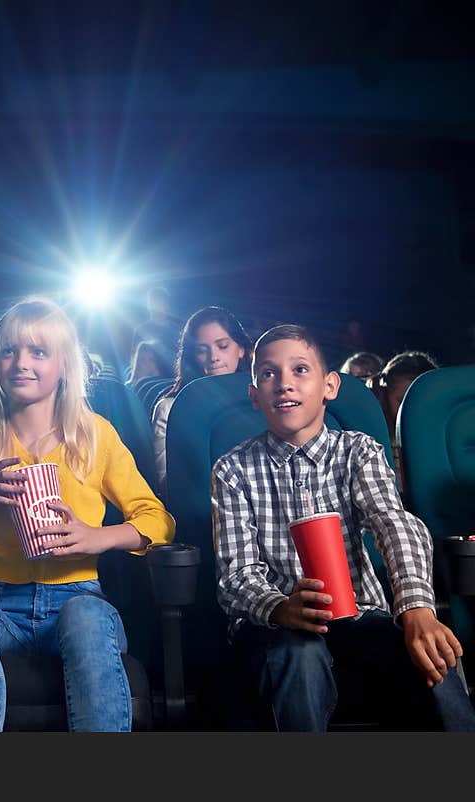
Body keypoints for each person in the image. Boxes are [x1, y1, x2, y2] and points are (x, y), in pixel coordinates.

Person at [0, 297, 175, 732]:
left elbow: (158, 521)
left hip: (79, 597)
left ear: (64, 365)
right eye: (8, 351)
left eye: (38, 352)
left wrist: (96, 537)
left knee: (87, 615)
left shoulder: (94, 435)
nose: (20, 363)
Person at [211, 324, 475, 731]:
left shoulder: (358, 451)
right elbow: (236, 576)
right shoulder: (233, 469)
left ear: (329, 386)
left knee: (432, 649)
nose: (284, 384)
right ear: (254, 396)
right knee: (299, 654)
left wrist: (416, 608)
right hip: (274, 630)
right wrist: (282, 607)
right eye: (268, 374)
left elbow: (394, 523)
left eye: (300, 370)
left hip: (358, 619)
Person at [152, 306, 252, 497]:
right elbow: (167, 484)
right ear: (192, 356)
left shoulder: (263, 398)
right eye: (201, 350)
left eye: (222, 346)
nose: (214, 357)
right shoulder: (170, 408)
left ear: (240, 349)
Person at [367, 350, 438, 497]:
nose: (411, 410)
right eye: (402, 401)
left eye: (423, 403)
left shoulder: (440, 443)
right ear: (383, 395)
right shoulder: (370, 445)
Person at [130, 286, 179, 374]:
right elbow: (134, 359)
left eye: (160, 302)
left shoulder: (177, 329)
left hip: (174, 376)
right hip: (150, 379)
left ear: (166, 304)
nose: (156, 306)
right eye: (153, 302)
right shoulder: (141, 330)